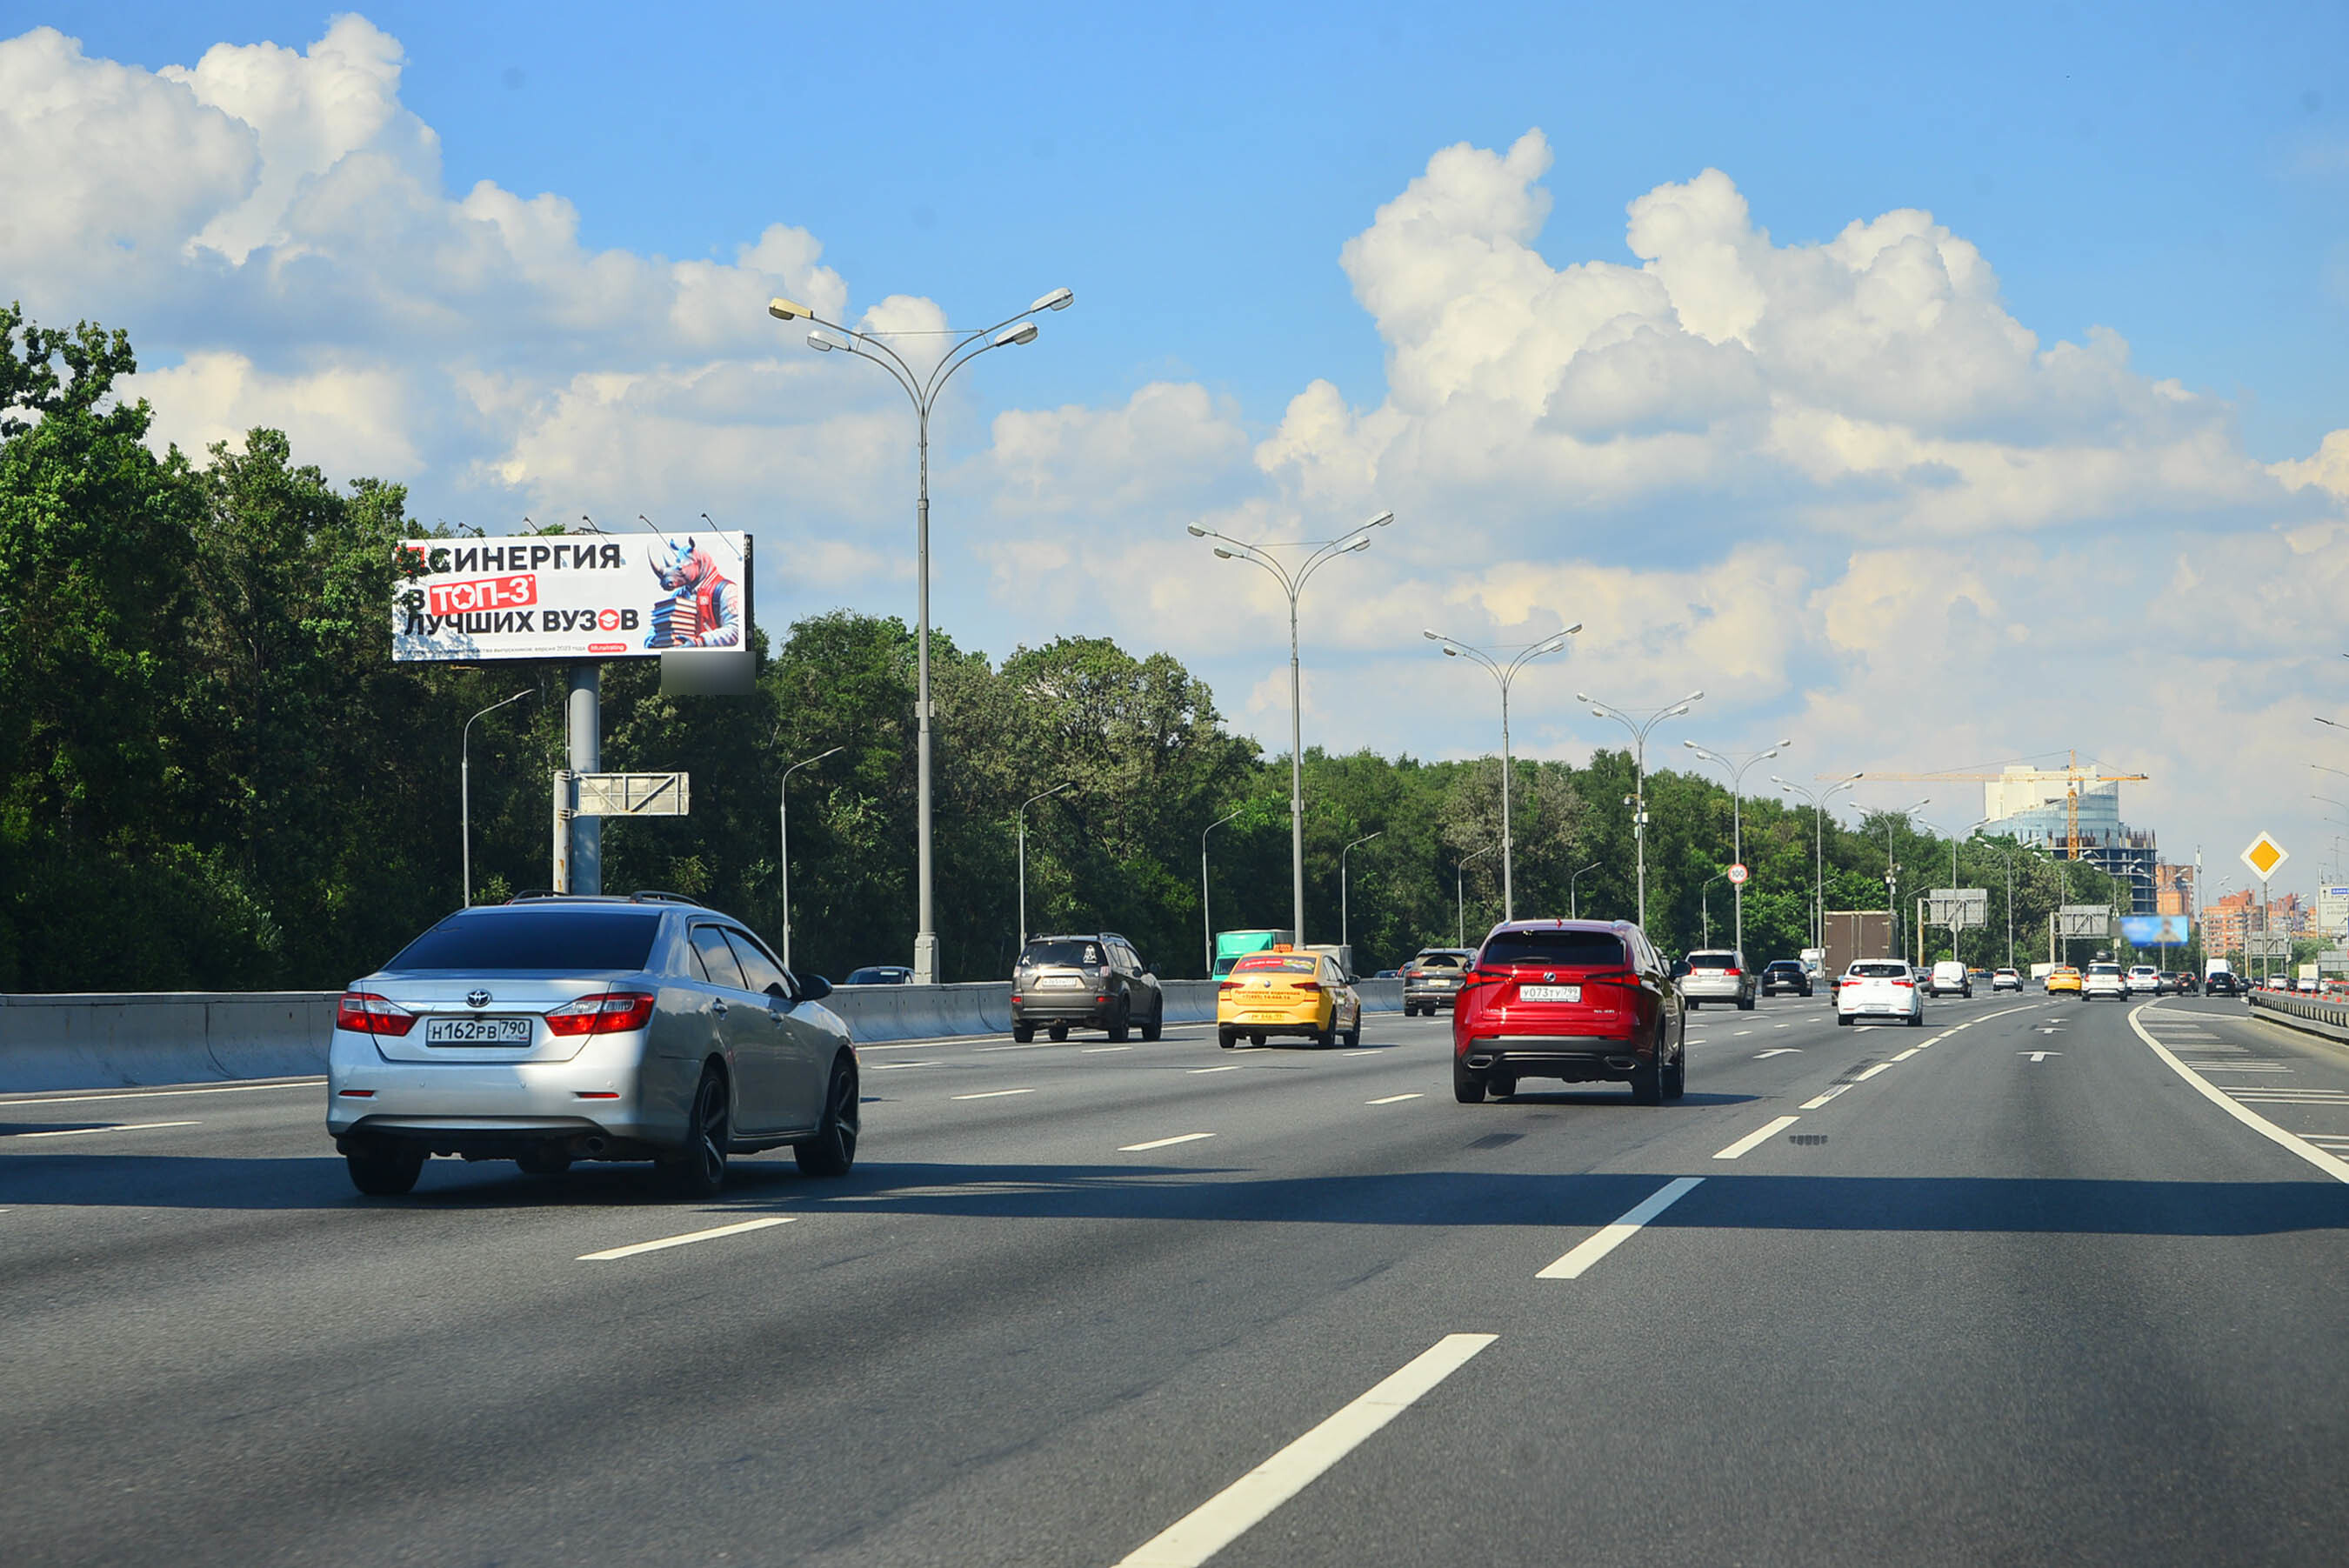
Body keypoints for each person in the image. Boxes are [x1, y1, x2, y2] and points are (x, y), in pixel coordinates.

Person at [644, 536, 743, 648]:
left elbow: (736, 630)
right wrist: (652, 639)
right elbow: (661, 623)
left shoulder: (725, 590)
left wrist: (701, 642)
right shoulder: (680, 594)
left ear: (697, 563)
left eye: (680, 569)